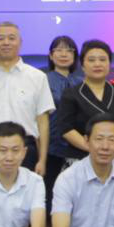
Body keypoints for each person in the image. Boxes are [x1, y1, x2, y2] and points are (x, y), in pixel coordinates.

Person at [0, 22, 55, 175]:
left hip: (25, 150)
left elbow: (42, 121)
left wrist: (42, 160)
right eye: (0, 38)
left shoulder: (38, 77)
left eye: (11, 38)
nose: (6, 42)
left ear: (20, 42)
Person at [54, 40, 114, 166]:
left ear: (109, 63)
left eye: (102, 59)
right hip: (81, 159)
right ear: (82, 65)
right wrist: (95, 149)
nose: (97, 64)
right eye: (91, 60)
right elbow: (66, 129)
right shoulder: (71, 94)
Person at [45, 35, 85, 195]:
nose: (63, 54)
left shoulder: (82, 82)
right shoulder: (42, 80)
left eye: (69, 50)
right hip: (51, 147)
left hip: (78, 146)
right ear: (51, 55)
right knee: (51, 191)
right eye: (59, 50)